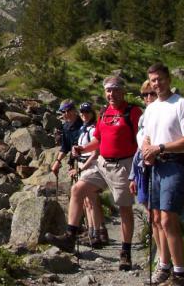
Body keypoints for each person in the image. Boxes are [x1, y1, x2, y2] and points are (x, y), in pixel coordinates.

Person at [45, 75, 142, 271]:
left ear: (123, 91)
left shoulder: (133, 112)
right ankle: (70, 235)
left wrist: (139, 169)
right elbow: (99, 139)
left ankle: (126, 251)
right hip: (102, 163)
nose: (111, 94)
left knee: (124, 208)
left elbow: (141, 140)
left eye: (115, 89)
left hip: (124, 164)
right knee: (78, 189)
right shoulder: (105, 112)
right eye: (108, 90)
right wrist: (83, 149)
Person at [141, 63, 184, 286]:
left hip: (176, 163)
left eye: (160, 79)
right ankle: (164, 266)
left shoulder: (181, 104)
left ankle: (181, 272)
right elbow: (147, 135)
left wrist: (160, 148)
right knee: (155, 218)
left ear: (169, 79)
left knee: (167, 218)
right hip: (156, 165)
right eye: (153, 80)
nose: (157, 84)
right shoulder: (151, 107)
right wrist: (147, 149)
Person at [72, 101, 108, 248]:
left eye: (87, 112)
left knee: (91, 201)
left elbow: (95, 152)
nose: (84, 115)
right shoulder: (83, 129)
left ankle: (97, 233)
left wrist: (81, 168)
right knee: (88, 201)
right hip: (83, 164)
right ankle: (93, 231)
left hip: (90, 165)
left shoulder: (93, 129)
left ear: (93, 114)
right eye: (82, 113)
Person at [50, 100, 82, 176]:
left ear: (74, 110)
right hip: (74, 162)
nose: (66, 114)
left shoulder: (83, 124)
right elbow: (65, 147)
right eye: (63, 112)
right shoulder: (65, 127)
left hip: (86, 161)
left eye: (69, 110)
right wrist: (57, 161)